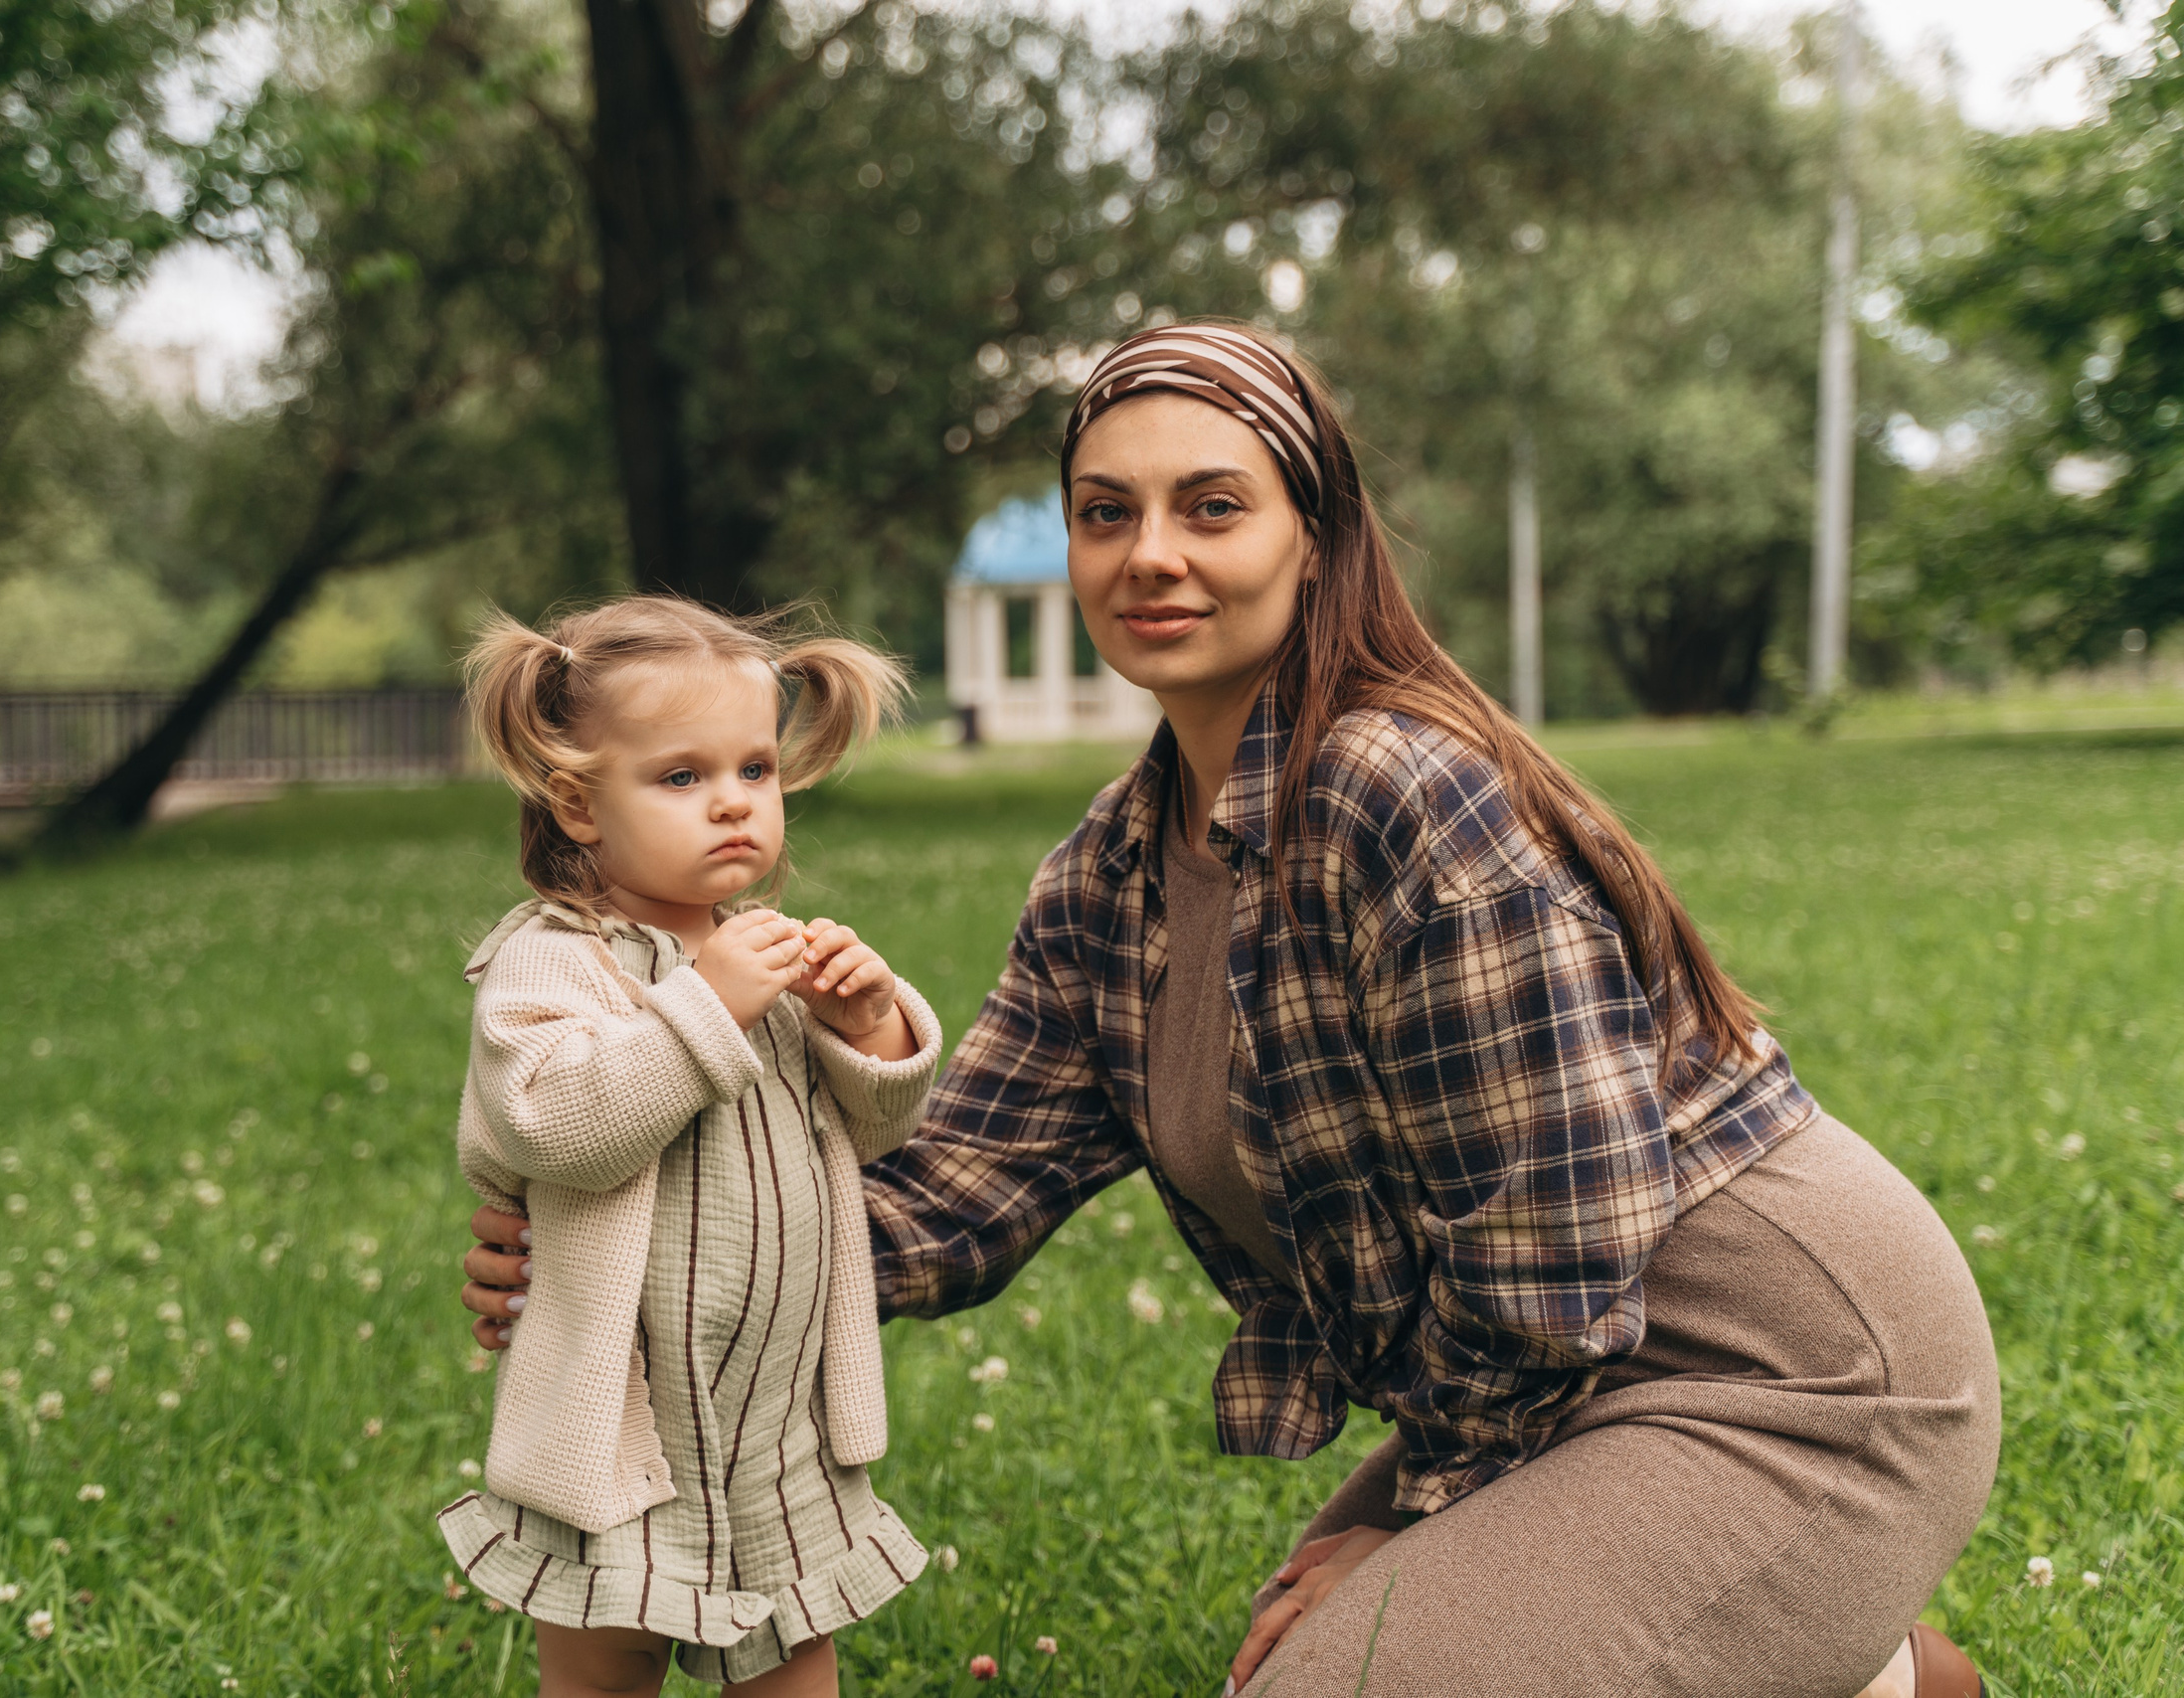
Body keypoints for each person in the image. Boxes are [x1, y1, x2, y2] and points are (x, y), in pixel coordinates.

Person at [460, 323, 2001, 1698]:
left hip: (1789, 1373)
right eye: (1105, 514)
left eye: (1213, 506)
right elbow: (948, 1201)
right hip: (1583, 1391)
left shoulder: (1405, 797)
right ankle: (1852, 1668)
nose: (1151, 555)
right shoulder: (1110, 874)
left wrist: (1421, 1512)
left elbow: (1557, 1244)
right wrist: (637, 1253)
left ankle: (1809, 1624)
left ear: (1313, 539)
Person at [438, 596, 942, 1698]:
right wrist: (704, 1010)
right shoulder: (552, 963)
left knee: (795, 1657)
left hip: (776, 1424)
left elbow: (876, 1128)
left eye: (754, 770)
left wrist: (871, 1026)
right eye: (681, 778)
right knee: (601, 1663)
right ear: (577, 801)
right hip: (620, 1434)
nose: (733, 805)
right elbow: (550, 1122)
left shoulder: (769, 951)